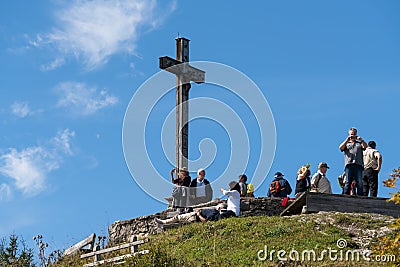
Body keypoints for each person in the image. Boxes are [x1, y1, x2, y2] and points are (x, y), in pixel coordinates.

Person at [339, 127, 367, 196]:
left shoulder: (359, 144)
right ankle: (346, 195)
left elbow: (365, 147)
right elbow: (341, 148)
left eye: (354, 134)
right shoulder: (347, 143)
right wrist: (347, 140)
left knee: (359, 182)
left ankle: (360, 195)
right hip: (349, 164)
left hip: (358, 164)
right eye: (351, 134)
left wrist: (361, 140)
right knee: (348, 181)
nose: (353, 136)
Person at [154, 203, 225, 226]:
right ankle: (163, 223)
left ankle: (163, 222)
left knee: (178, 218)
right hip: (194, 215)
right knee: (178, 218)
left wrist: (199, 214)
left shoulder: (214, 213)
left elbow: (205, 221)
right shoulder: (214, 211)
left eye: (218, 206)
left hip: (194, 217)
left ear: (219, 208)